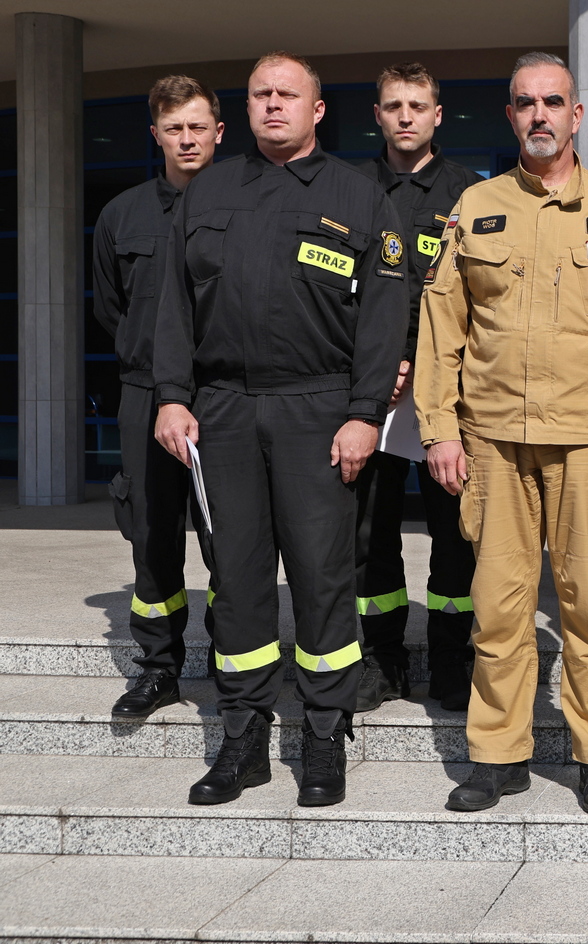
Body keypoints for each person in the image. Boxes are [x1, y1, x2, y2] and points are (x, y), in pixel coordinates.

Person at [417, 52, 588, 815]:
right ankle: (498, 754)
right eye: (525, 103)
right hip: (492, 441)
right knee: (498, 605)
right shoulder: (476, 206)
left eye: (552, 102)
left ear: (576, 115)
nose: (539, 115)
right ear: (510, 116)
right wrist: (439, 430)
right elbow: (441, 330)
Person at [152, 52, 409, 807]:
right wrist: (171, 396)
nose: (272, 106)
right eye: (261, 94)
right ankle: (244, 738)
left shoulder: (358, 196)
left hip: (318, 410)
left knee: (324, 574)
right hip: (223, 409)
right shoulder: (210, 191)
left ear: (317, 110)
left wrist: (366, 415)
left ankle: (324, 735)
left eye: (287, 95)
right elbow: (171, 305)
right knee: (235, 579)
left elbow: (383, 322)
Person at [351, 62, 485, 713]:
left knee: (454, 533)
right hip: (367, 397)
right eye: (393, 105)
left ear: (438, 115)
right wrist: (380, 362)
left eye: (417, 105)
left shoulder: (469, 194)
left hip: (447, 397)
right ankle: (382, 657)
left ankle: (452, 658)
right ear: (377, 115)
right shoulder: (347, 189)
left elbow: (480, 299)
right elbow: (337, 293)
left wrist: (415, 359)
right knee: (366, 533)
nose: (405, 116)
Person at [94, 75, 223, 720]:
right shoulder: (121, 216)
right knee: (152, 535)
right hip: (146, 394)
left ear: (219, 132)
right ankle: (158, 667)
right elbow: (111, 309)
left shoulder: (240, 205)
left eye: (198, 126)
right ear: (156, 135)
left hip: (224, 395)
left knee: (231, 533)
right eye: (174, 128)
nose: (187, 138)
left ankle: (237, 660)